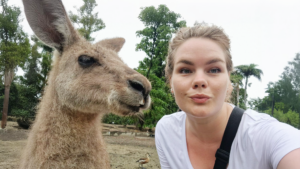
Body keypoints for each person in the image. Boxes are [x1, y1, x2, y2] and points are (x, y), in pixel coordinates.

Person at [155, 24, 300, 169]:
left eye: (214, 69)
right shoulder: (166, 132)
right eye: (185, 70)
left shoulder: (267, 136)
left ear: (228, 80)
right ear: (170, 81)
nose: (199, 80)